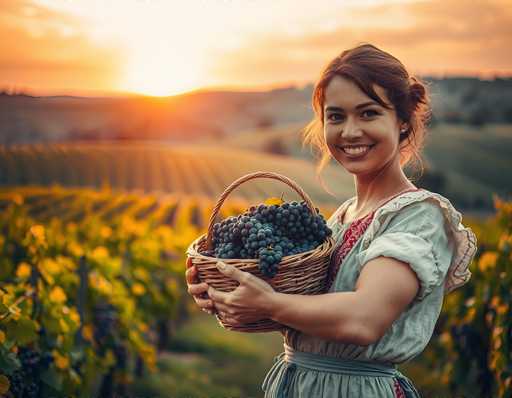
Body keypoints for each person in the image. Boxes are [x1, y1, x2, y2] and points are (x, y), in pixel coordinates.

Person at [185, 43, 477, 397]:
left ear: (402, 121)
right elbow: (313, 317)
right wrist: (228, 295)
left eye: (368, 114)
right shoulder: (342, 217)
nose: (350, 131)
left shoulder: (418, 216)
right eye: (336, 116)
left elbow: (363, 320)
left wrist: (269, 303)